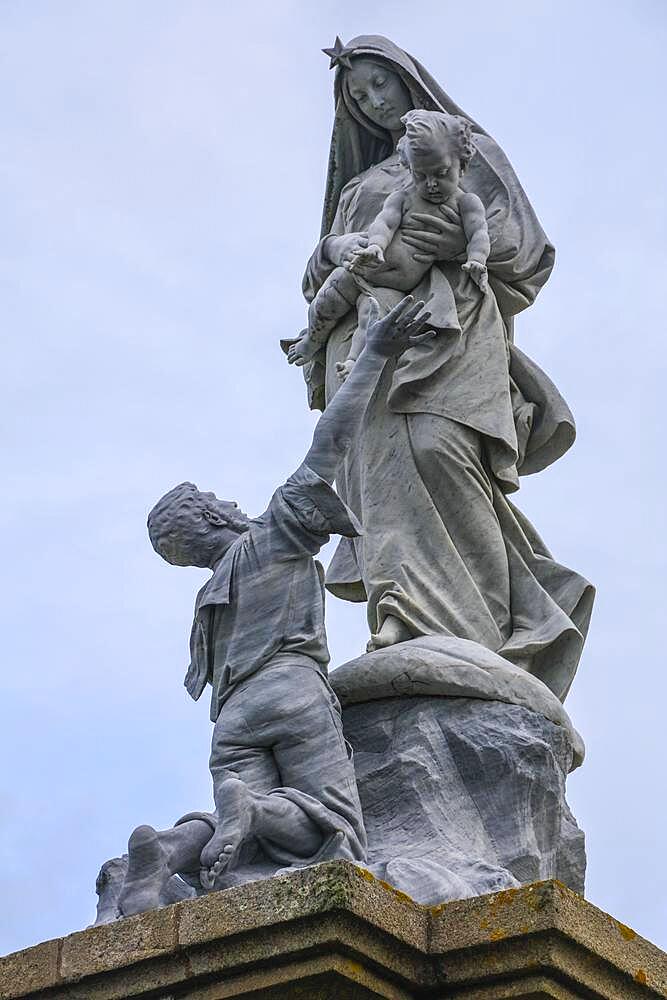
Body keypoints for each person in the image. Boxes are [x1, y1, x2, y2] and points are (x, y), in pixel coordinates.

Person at [113, 295, 433, 917]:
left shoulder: (208, 601)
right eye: (218, 499)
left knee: (253, 846)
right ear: (213, 517)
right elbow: (331, 440)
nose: (232, 501)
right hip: (290, 690)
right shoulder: (271, 540)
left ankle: (169, 851)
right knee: (338, 827)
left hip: (231, 720)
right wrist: (374, 354)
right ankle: (252, 808)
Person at [296, 35, 594, 697]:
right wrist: (332, 255)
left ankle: (489, 629)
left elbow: (526, 251)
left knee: (440, 453)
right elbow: (320, 270)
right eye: (359, 95)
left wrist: (459, 242)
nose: (374, 102)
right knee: (379, 476)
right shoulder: (358, 186)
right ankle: (398, 619)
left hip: (452, 328)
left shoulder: (469, 149)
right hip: (366, 341)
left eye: (380, 84)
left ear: (408, 81)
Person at [287, 108, 489, 381]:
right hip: (367, 266)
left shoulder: (467, 202)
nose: (431, 184)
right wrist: (370, 246)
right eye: (420, 176)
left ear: (462, 166)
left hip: (408, 293)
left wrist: (474, 258)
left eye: (441, 173)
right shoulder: (398, 196)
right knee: (331, 294)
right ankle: (312, 339)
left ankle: (352, 363)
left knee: (372, 319)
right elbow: (384, 224)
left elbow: (482, 234)